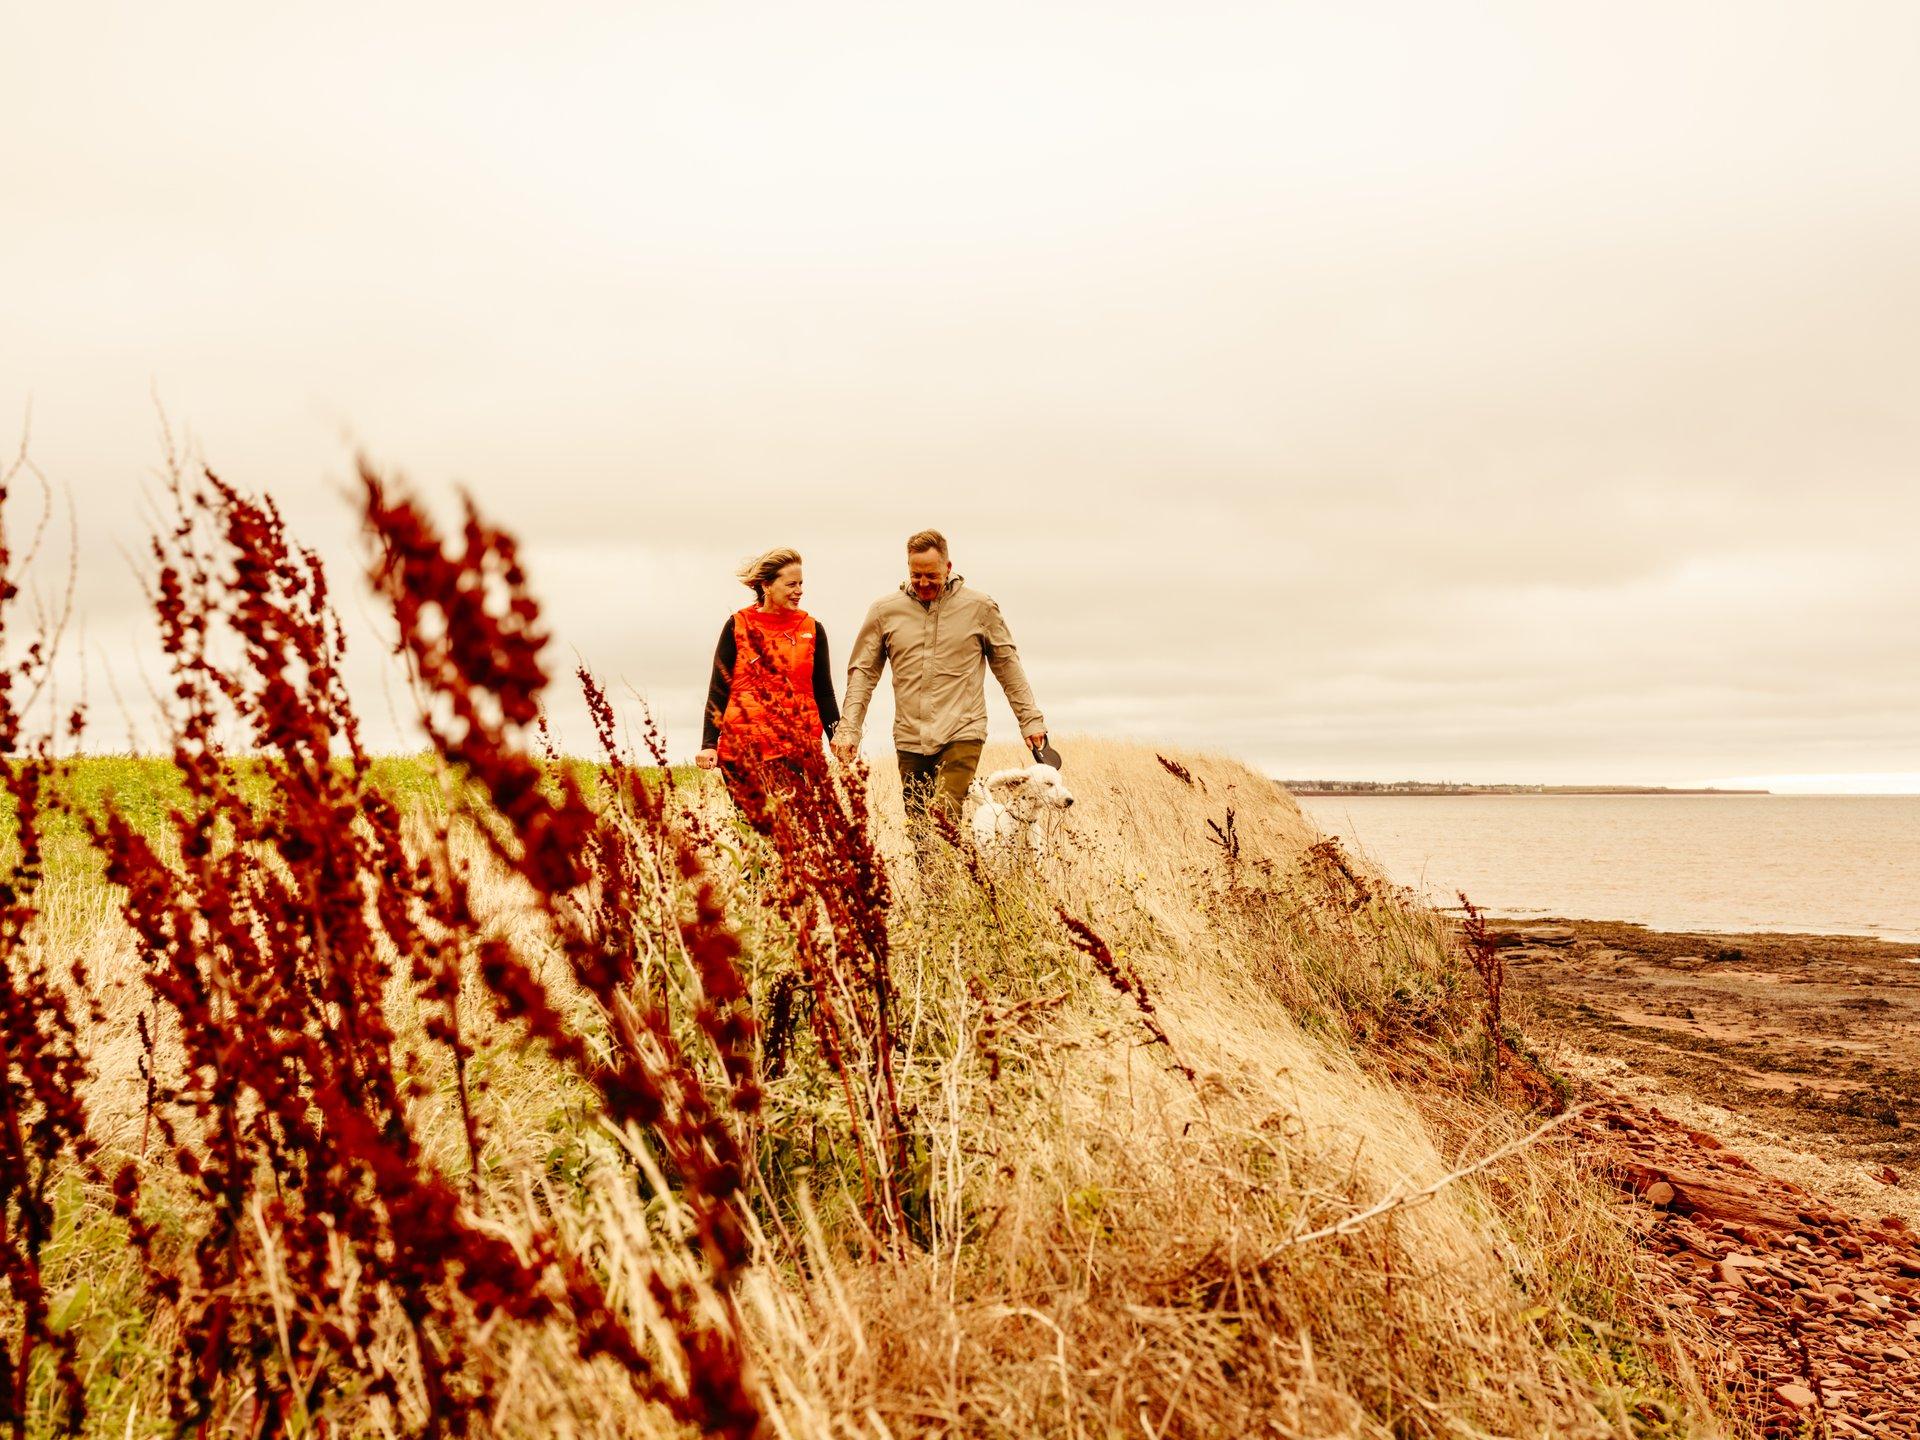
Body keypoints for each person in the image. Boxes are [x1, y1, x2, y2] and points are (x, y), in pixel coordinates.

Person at [834, 529, 1048, 833]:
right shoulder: (885, 611)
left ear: (947, 568)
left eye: (931, 575)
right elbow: (863, 672)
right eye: (916, 575)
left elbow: (1007, 664)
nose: (923, 583)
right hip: (910, 736)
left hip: (963, 729)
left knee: (943, 815)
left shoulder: (980, 608)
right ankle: (947, 881)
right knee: (920, 830)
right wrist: (849, 729)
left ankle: (962, 872)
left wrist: (1030, 719)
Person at [696, 548, 839, 833]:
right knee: (753, 836)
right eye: (791, 584)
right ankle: (755, 879)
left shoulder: (812, 629)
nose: (799, 591)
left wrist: (839, 736)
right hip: (743, 752)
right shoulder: (738, 625)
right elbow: (718, 688)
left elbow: (824, 691)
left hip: (796, 749)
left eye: (801, 584)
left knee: (794, 834)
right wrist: (709, 743)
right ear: (766, 585)